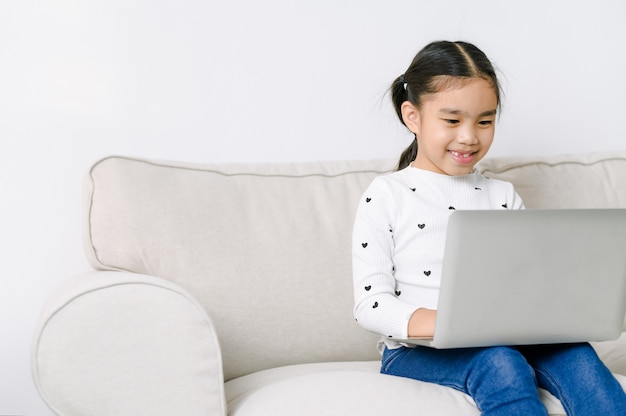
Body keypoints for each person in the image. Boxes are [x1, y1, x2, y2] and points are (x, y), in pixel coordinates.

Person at [352, 40, 626, 415]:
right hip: (414, 352)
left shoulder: (502, 195)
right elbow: (370, 304)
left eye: (485, 120)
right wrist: (451, 323)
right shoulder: (386, 194)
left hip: (507, 336)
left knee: (577, 355)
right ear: (412, 116)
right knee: (499, 361)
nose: (469, 136)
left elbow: (526, 285)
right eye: (452, 120)